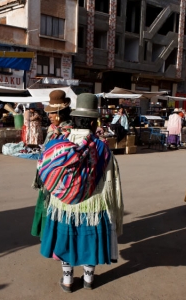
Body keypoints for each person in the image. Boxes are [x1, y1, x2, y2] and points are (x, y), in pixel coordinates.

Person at [38, 93, 124, 292]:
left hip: (63, 205)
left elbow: (44, 172)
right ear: (94, 122)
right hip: (93, 206)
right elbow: (111, 182)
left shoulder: (58, 143)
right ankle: (88, 279)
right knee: (89, 242)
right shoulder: (102, 148)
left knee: (66, 240)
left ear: (74, 119)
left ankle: (67, 280)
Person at [31, 90, 73, 239]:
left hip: (59, 180)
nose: (49, 116)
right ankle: (49, 238)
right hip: (47, 178)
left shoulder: (69, 131)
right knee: (46, 207)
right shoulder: (53, 130)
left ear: (60, 113)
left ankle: (57, 241)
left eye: (52, 113)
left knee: (57, 210)